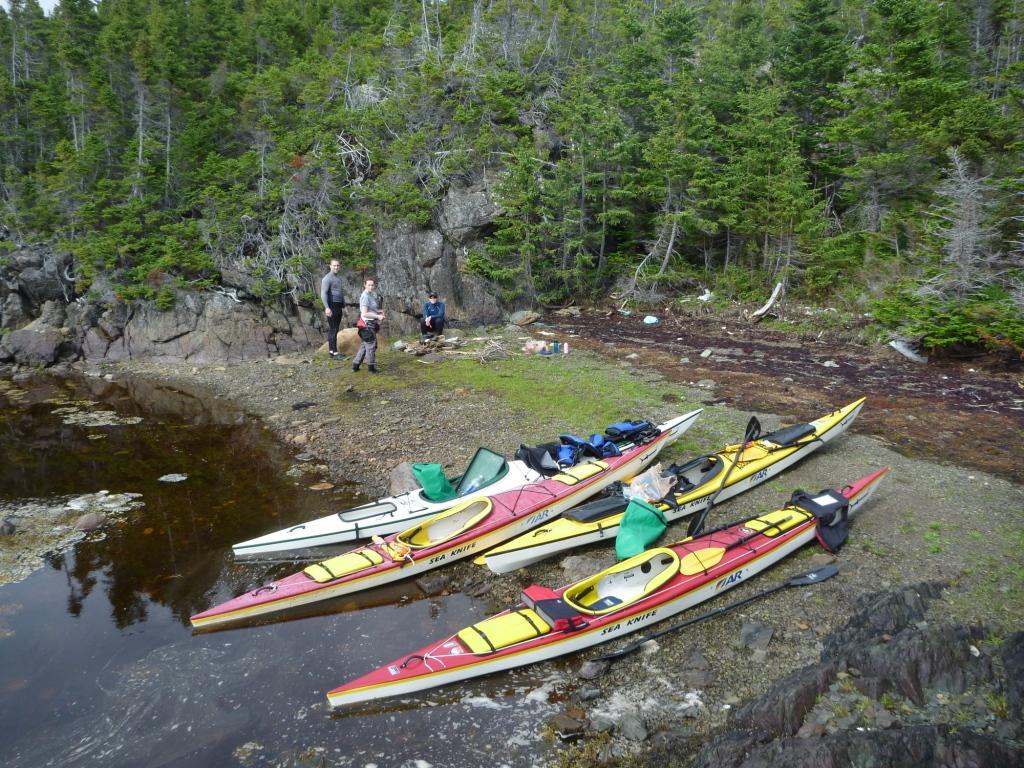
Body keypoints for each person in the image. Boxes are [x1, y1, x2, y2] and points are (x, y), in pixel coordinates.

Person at [353, 277, 385, 373]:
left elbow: (370, 309)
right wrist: (378, 316)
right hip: (367, 325)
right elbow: (365, 313)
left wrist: (379, 311)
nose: (371, 287)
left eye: (372, 285)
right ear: (365, 285)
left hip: (369, 324)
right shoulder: (365, 296)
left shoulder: (369, 295)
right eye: (369, 285)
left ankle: (355, 365)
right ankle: (371, 368)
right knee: (371, 346)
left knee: (364, 345)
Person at [320, 258, 346, 359]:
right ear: (330, 266)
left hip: (338, 305)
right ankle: (334, 353)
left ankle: (331, 351)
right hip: (331, 305)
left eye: (337, 265)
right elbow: (323, 293)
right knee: (334, 329)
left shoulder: (338, 278)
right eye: (334, 265)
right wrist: (327, 307)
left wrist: (343, 304)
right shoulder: (327, 278)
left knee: (334, 329)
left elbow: (340, 292)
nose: (336, 267)